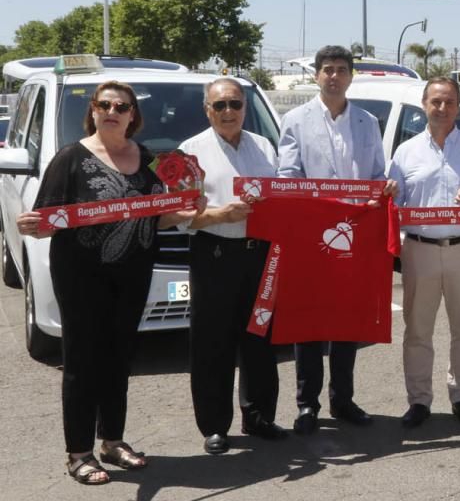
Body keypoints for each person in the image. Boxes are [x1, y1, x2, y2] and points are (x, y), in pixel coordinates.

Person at [15, 82, 202, 485]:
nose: (112, 111)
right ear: (94, 112)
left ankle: (112, 441)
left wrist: (185, 208)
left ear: (133, 115)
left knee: (119, 360)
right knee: (82, 363)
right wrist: (29, 225)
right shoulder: (71, 159)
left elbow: (159, 218)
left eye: (122, 105)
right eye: (104, 104)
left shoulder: (148, 159)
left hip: (133, 275)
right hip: (82, 277)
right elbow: (45, 222)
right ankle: (78, 452)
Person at [277, 45, 392, 434]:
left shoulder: (366, 121)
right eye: (327, 69)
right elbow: (288, 175)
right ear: (316, 75)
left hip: (356, 235)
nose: (334, 76)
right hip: (311, 233)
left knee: (348, 321)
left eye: (341, 69)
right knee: (308, 321)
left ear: (351, 76)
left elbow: (376, 172)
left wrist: (383, 187)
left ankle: (342, 400)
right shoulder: (294, 119)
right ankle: (307, 405)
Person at [179, 78, 286, 455]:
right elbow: (177, 217)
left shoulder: (264, 147)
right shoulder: (189, 152)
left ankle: (258, 417)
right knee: (213, 344)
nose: (229, 112)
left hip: (260, 256)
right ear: (207, 109)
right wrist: (218, 214)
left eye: (235, 104)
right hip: (214, 254)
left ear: (246, 107)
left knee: (259, 337)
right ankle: (214, 426)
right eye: (220, 105)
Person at [389, 77, 460, 428]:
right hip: (420, 250)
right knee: (418, 331)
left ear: (458, 107)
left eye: (449, 102)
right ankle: (419, 401)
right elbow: (394, 204)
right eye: (435, 101)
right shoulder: (405, 153)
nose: (442, 108)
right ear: (423, 104)